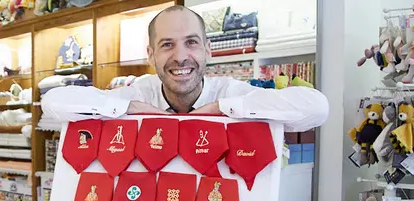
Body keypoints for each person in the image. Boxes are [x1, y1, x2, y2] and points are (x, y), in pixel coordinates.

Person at [41, 5, 329, 132]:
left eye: (191, 42)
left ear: (207, 50)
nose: (180, 57)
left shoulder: (230, 92)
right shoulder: (138, 93)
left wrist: (223, 109)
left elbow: (317, 108)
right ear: (151, 54)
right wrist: (129, 109)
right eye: (167, 45)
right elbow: (53, 102)